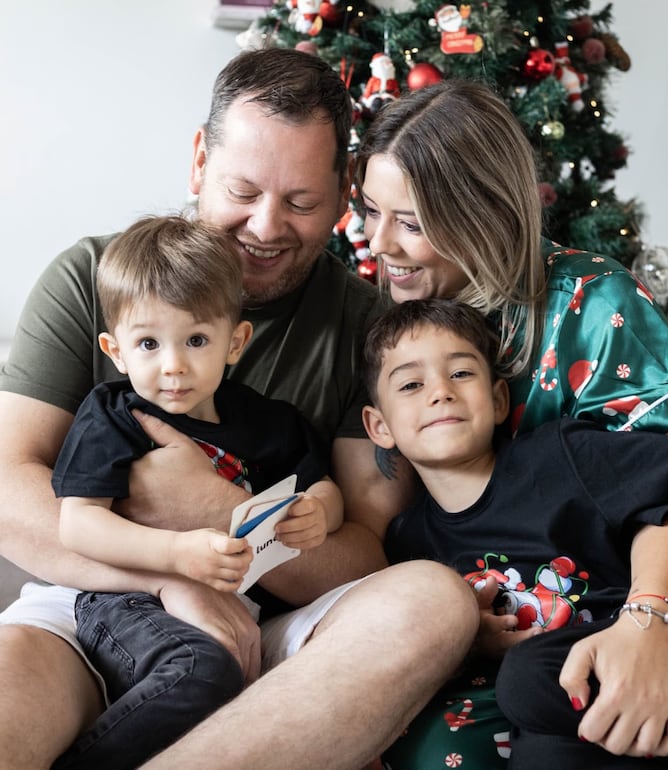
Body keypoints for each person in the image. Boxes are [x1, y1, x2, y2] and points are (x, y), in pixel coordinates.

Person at [0, 48, 479, 770]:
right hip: (85, 603)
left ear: (343, 193)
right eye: (243, 190)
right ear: (200, 161)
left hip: (272, 630)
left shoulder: (368, 330)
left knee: (432, 602)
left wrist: (220, 512)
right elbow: (9, 492)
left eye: (301, 201)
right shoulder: (92, 279)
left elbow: (356, 557)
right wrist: (169, 576)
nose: (264, 226)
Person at [354, 78, 668, 765]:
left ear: (483, 215)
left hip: (660, 593)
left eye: (412, 222)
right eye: (370, 209)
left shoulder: (594, 301)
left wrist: (651, 623)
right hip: (534, 619)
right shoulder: (395, 329)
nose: (376, 242)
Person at [360, 297, 668, 768]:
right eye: (412, 384)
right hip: (567, 706)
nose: (440, 392)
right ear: (379, 426)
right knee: (538, 754)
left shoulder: (558, 457)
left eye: (461, 373)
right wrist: (474, 639)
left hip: (657, 643)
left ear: (497, 400)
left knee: (526, 674)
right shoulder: (410, 546)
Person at [52, 214, 346, 768]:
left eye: (195, 339)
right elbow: (77, 523)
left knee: (245, 697)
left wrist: (317, 514)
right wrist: (174, 555)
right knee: (202, 670)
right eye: (148, 343)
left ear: (234, 341)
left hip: (244, 610)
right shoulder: (115, 417)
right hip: (125, 600)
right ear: (115, 351)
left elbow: (323, 489)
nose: (174, 366)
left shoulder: (266, 421)